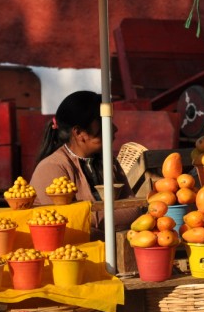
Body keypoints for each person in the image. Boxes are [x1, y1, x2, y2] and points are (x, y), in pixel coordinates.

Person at [30, 91, 141, 239]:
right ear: (79, 133)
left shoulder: (108, 161)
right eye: (104, 123)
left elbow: (133, 210)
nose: (114, 129)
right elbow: (70, 223)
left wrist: (93, 220)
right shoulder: (52, 167)